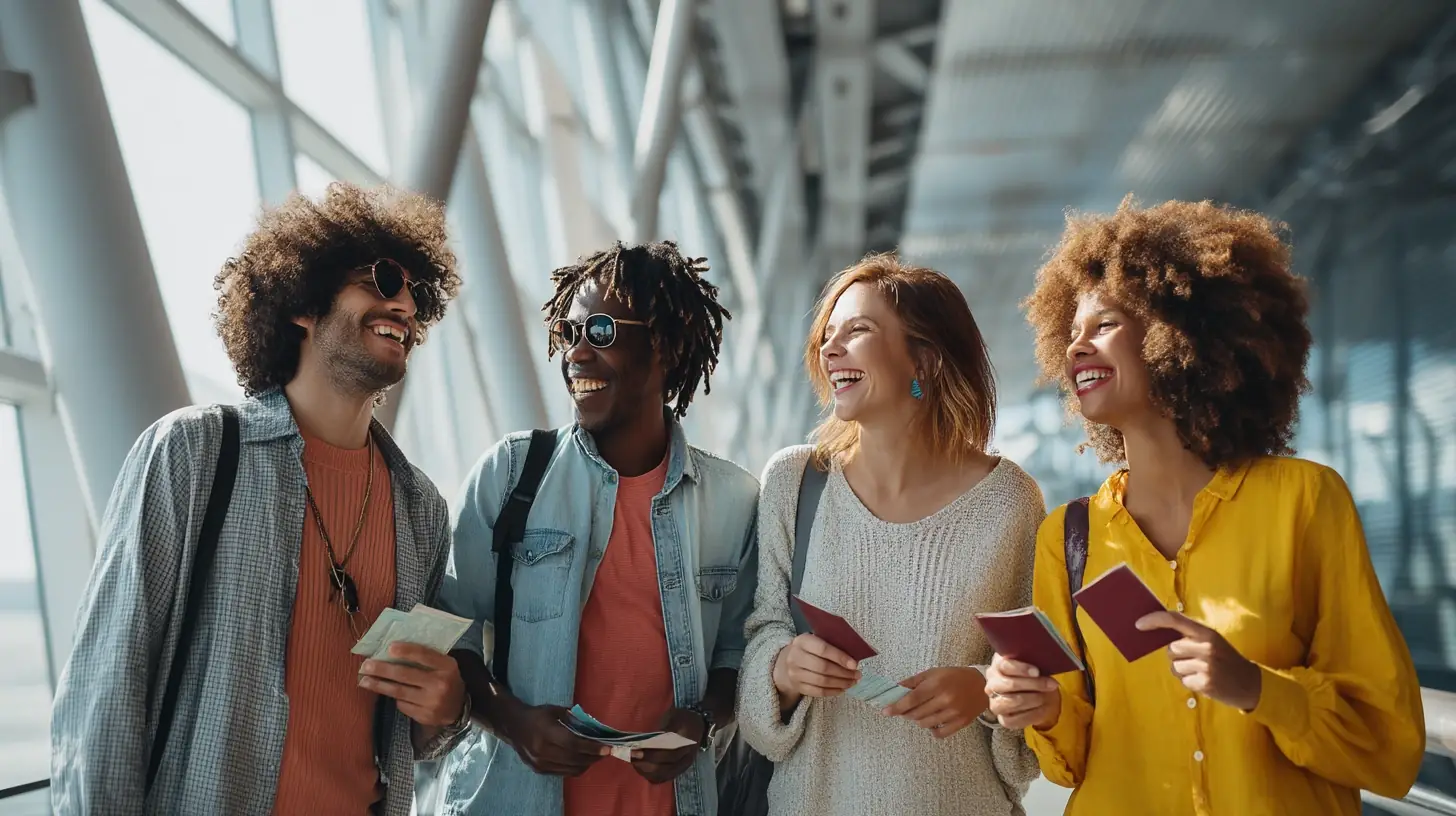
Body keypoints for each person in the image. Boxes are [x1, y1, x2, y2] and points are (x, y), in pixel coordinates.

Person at [988, 197, 1425, 814]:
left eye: (1105, 324)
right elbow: (1072, 762)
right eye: (1073, 331)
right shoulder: (1069, 536)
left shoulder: (1304, 502)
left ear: (1180, 332)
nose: (1076, 348)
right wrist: (1046, 708)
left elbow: (1390, 743)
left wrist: (1257, 689)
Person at [49, 182, 466, 815]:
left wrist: (447, 710)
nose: (404, 301)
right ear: (303, 303)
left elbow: (405, 732)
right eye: (382, 279)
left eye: (417, 292)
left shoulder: (419, 507)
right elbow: (105, 691)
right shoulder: (194, 454)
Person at [422, 241, 760, 816]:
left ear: (667, 348)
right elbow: (447, 628)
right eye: (569, 334)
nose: (576, 354)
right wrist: (515, 722)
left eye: (599, 331)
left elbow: (740, 651)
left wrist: (701, 722)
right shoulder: (509, 476)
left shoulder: (733, 501)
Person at [736, 254, 1046, 816]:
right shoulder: (795, 482)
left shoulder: (1009, 503)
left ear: (923, 360)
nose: (830, 350)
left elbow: (1041, 679)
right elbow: (761, 637)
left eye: (857, 331)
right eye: (827, 335)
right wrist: (782, 668)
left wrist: (984, 689)